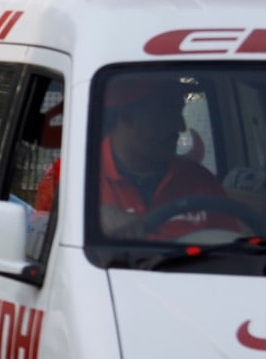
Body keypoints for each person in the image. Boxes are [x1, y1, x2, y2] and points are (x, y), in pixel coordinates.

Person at [98, 76, 241, 240]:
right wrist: (89, 216)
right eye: (168, 112)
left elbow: (231, 249)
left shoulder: (200, 181)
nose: (181, 126)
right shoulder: (77, 173)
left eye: (179, 112)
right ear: (128, 116)